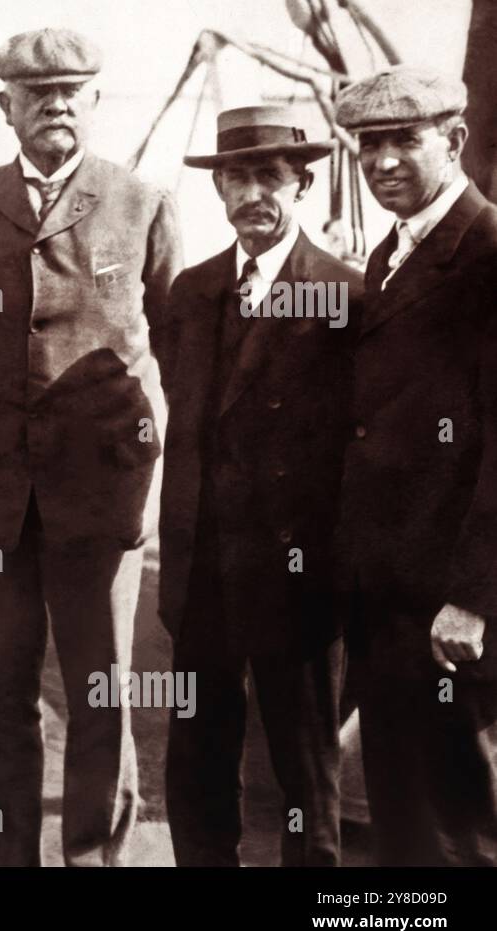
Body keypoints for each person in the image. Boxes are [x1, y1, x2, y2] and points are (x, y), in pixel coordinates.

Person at [0, 26, 181, 867]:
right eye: (39, 95)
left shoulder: (140, 200)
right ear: (7, 107)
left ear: (98, 101)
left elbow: (172, 347)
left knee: (98, 690)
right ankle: (9, 857)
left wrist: (141, 471)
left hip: (98, 498)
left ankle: (89, 856)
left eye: (74, 91)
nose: (58, 105)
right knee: (2, 688)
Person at [159, 105, 362, 866]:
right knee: (198, 761)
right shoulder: (192, 291)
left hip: (296, 574)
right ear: (220, 193)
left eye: (270, 176)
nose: (253, 194)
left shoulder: (343, 293)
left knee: (304, 768)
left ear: (302, 184)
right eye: (237, 177)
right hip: (203, 569)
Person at [335, 65, 497, 865]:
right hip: (384, 592)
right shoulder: (387, 257)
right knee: (398, 808)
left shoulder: (488, 252)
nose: (383, 162)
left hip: (444, 604)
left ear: (456, 141)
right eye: (369, 145)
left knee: (455, 817)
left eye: (404, 141)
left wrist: (470, 598)